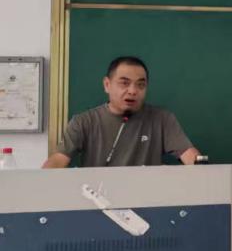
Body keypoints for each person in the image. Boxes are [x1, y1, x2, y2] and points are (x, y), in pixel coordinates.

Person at [42, 56, 202, 168]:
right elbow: (59, 159)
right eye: (124, 83)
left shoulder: (162, 119)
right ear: (107, 85)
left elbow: (190, 155)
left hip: (147, 199)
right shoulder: (84, 122)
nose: (133, 91)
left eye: (140, 85)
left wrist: (202, 167)